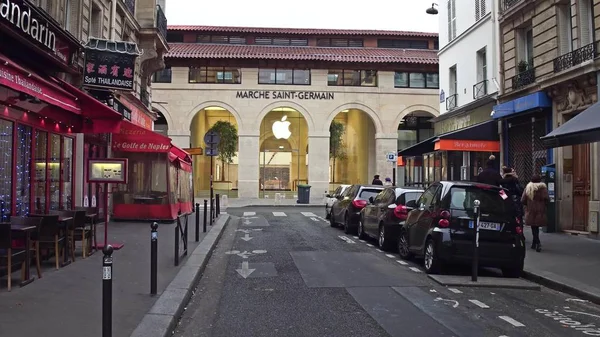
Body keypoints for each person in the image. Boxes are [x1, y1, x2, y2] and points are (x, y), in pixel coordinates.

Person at [521, 174, 549, 252]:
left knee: (534, 227)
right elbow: (547, 199)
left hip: (531, 211)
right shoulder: (543, 188)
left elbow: (523, 200)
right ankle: (536, 242)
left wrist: (528, 205)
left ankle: (536, 242)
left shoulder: (528, 188)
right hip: (540, 211)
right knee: (536, 227)